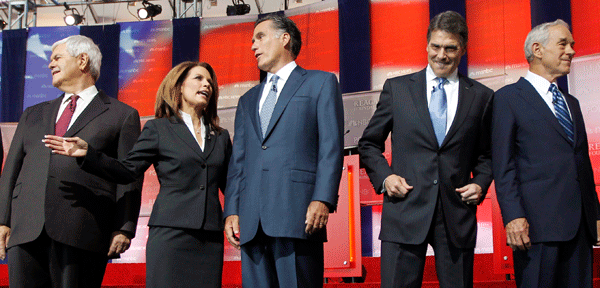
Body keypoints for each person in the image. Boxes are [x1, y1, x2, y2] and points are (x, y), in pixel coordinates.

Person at [44, 61, 232, 288]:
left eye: (210, 82)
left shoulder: (221, 137)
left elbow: (231, 185)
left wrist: (236, 215)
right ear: (179, 86)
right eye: (199, 79)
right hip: (170, 235)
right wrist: (89, 154)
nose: (207, 85)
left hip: (210, 238)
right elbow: (127, 170)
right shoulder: (159, 129)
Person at [358, 11, 494, 288]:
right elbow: (369, 143)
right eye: (436, 46)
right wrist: (385, 178)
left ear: (463, 49)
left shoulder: (481, 97)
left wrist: (480, 184)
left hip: (456, 215)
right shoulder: (397, 89)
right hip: (403, 211)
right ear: (427, 45)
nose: (441, 55)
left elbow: (488, 154)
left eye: (450, 48)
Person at [0, 35, 142, 287]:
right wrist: (3, 220)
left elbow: (129, 175)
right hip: (26, 230)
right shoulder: (33, 114)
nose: (50, 65)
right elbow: (11, 170)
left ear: (82, 60)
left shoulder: (122, 115)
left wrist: (124, 227)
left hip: (82, 229)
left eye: (57, 58)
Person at [223, 14, 344, 287]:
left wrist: (323, 198)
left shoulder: (320, 83)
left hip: (298, 214)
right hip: (252, 222)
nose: (253, 45)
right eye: (252, 40)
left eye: (260, 37)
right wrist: (231, 209)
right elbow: (239, 161)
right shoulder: (247, 100)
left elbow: (330, 147)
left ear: (285, 38)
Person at [492, 20, 600, 288]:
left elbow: (581, 163)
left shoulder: (571, 102)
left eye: (572, 44)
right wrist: (513, 216)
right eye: (563, 43)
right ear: (537, 50)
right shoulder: (508, 98)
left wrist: (595, 216)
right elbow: (503, 165)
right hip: (535, 227)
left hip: (579, 228)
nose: (571, 51)